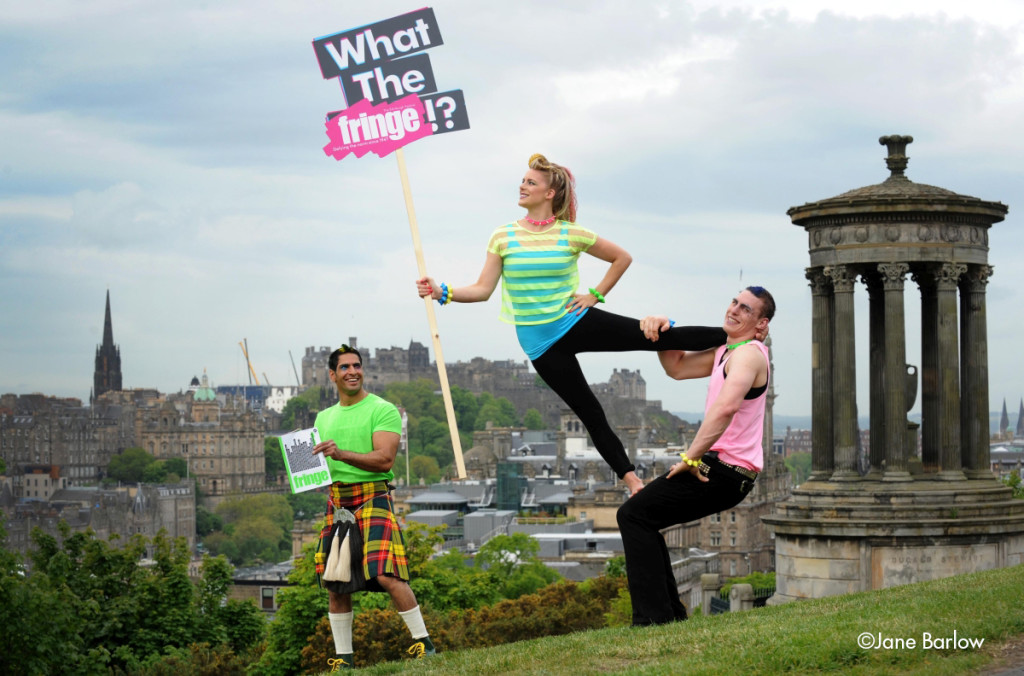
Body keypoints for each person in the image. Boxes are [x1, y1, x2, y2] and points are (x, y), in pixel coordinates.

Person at [415, 153, 726, 495]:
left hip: (574, 320)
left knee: (656, 337)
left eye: (530, 182)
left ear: (549, 193)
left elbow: (621, 258)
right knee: (589, 411)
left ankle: (733, 336)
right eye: (523, 180)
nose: (522, 186)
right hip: (539, 344)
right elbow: (482, 289)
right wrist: (443, 292)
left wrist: (595, 295)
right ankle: (633, 481)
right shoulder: (502, 236)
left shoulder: (571, 233)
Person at [616, 286, 776, 626]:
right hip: (718, 467)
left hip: (727, 471)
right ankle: (667, 616)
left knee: (634, 515)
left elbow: (726, 408)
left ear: (761, 324)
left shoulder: (749, 355)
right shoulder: (725, 352)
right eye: (734, 302)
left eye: (746, 309)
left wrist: (691, 458)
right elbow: (676, 367)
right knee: (640, 517)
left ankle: (654, 619)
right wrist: (663, 332)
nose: (734, 309)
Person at [312, 345, 435, 669]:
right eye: (345, 367)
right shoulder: (323, 418)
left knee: (386, 574)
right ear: (332, 375)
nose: (352, 372)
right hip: (337, 500)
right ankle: (344, 661)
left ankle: (425, 646)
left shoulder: (383, 410)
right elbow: (319, 467)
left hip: (372, 497)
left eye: (357, 365)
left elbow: (384, 460)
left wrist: (341, 454)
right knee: (336, 582)